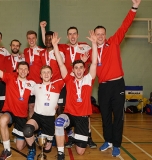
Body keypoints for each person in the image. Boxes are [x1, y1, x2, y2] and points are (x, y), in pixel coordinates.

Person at [95, 0, 141, 157]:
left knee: (118, 116)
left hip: (117, 85)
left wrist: (134, 8)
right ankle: (107, 140)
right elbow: (80, 65)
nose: (100, 36)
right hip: (103, 87)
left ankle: (116, 144)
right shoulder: (92, 51)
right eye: (97, 34)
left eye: (102, 34)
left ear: (105, 35)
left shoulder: (113, 42)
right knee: (105, 116)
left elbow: (125, 25)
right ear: (94, 36)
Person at [40, 21, 97, 149]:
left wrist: (94, 43)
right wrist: (43, 29)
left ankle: (88, 136)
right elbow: (48, 43)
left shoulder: (85, 46)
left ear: (78, 35)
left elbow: (95, 59)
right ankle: (70, 135)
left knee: (84, 111)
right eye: (70, 34)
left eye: (74, 34)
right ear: (67, 36)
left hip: (82, 84)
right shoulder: (63, 47)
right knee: (63, 109)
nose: (72, 36)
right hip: (67, 81)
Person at [0, 38, 35, 160]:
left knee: (20, 146)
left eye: (25, 69)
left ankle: (31, 139)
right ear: (17, 70)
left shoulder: (32, 84)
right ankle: (7, 150)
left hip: (22, 116)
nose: (22, 71)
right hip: (10, 111)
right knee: (2, 120)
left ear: (28, 71)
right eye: (20, 69)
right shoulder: (10, 78)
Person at [52, 31, 98, 159]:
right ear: (72, 70)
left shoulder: (89, 79)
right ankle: (61, 153)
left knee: (80, 151)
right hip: (70, 115)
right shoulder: (68, 80)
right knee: (59, 122)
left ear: (84, 69)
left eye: (80, 68)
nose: (78, 70)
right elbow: (61, 63)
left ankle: (77, 136)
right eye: (76, 68)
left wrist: (94, 43)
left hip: (82, 118)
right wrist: (55, 45)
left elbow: (94, 63)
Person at [23, 65, 64, 160]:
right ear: (40, 75)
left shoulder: (58, 84)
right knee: (27, 130)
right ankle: (32, 150)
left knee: (47, 149)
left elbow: (70, 81)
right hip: (37, 116)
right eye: (44, 72)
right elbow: (23, 90)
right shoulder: (36, 86)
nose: (46, 74)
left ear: (52, 75)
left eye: (48, 72)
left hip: (49, 118)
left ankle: (49, 137)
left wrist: (61, 102)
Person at [38, 28, 65, 115]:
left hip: (58, 84)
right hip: (46, 86)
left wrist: (55, 45)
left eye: (51, 39)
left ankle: (62, 129)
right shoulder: (41, 53)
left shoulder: (59, 52)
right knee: (46, 108)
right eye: (47, 39)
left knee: (59, 109)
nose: (48, 41)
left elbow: (61, 62)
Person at [23, 30, 44, 118]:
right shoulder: (25, 51)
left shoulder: (42, 51)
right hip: (29, 84)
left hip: (40, 83)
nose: (31, 40)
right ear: (27, 40)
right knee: (31, 107)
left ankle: (41, 129)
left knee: (41, 108)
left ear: (36, 39)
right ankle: (32, 129)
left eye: (33, 38)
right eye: (29, 38)